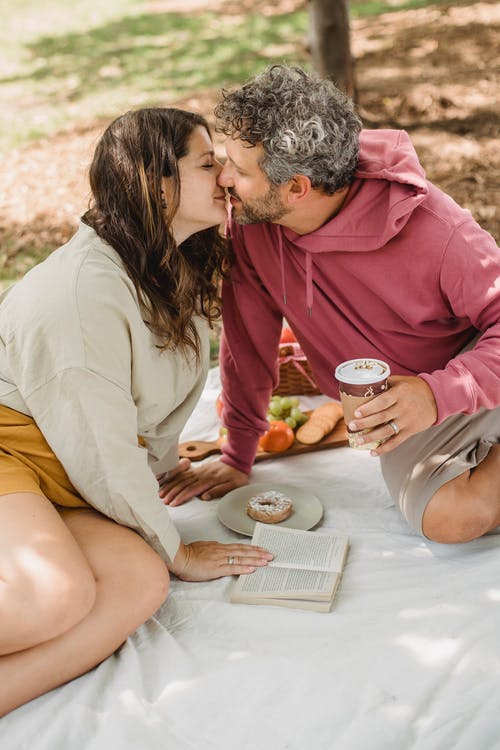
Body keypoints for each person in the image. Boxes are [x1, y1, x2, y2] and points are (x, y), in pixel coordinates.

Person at [0, 107, 273, 716]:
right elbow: (99, 446)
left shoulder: (172, 263)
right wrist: (178, 548)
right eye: (208, 165)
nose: (226, 177)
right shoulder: (81, 292)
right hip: (11, 450)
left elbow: (133, 413)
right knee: (57, 597)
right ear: (155, 183)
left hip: (63, 470)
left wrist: (163, 479)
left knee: (141, 582)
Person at [160, 65, 500, 548]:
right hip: (404, 409)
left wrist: (435, 394)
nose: (224, 178)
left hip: (469, 373)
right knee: (447, 519)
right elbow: (246, 343)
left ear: (297, 187)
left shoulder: (439, 231)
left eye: (238, 167)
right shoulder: (254, 228)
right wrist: (239, 452)